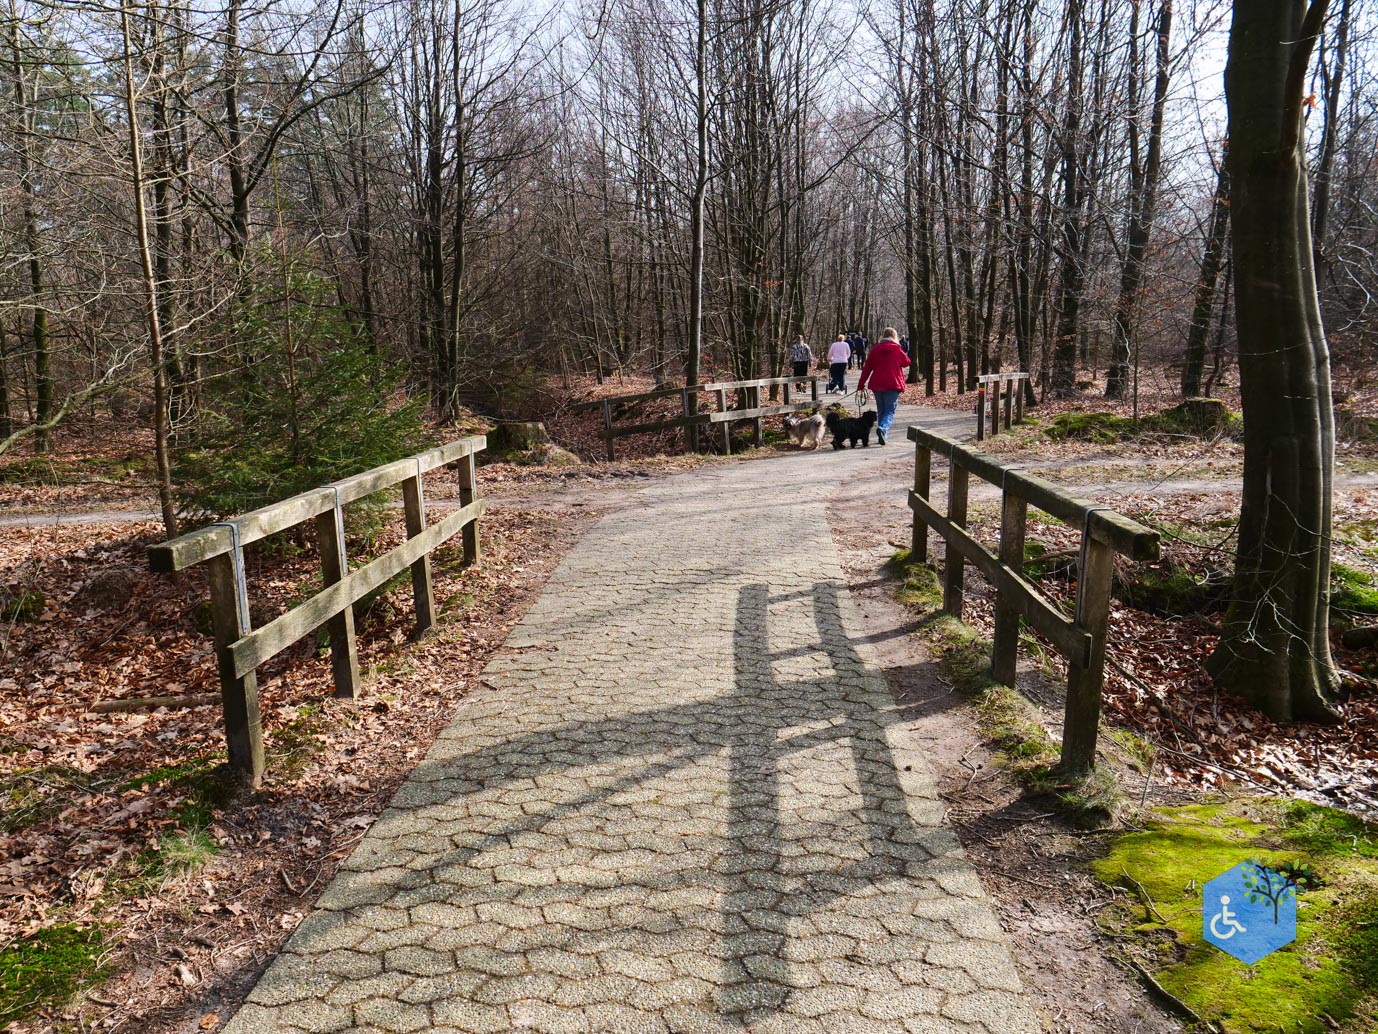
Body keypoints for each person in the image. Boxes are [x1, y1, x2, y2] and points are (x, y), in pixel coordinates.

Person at [856, 326, 910, 446]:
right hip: (893, 384)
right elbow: (907, 362)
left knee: (881, 410)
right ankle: (883, 429)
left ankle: (883, 434)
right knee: (890, 410)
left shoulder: (875, 349)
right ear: (894, 337)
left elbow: (867, 368)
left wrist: (861, 384)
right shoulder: (897, 349)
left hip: (877, 384)